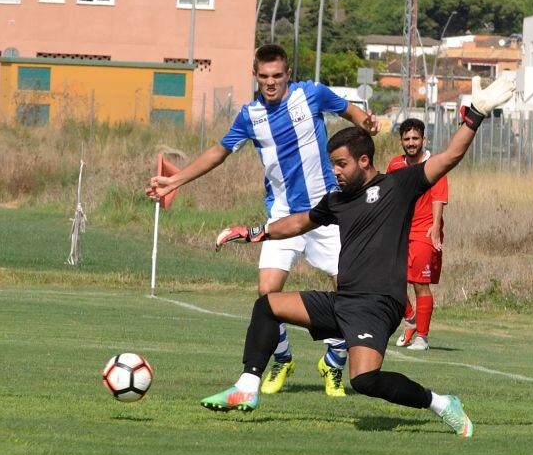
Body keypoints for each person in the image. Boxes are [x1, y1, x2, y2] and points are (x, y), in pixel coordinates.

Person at [201, 76, 516, 437]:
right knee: (268, 304)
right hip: (343, 301)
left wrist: (474, 115)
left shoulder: (398, 186)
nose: (334, 171)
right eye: (332, 164)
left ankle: (442, 403)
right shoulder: (337, 200)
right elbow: (299, 222)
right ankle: (247, 386)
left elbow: (450, 157)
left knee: (365, 380)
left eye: (340, 164)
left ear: (364, 161)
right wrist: (253, 233)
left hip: (377, 304)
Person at [147, 44, 378, 397]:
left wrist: (365, 121)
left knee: (349, 296)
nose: (271, 83)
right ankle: (282, 357)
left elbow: (349, 111)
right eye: (264, 77)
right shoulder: (249, 116)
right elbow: (218, 152)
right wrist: (175, 180)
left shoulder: (311, 94)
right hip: (284, 217)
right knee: (267, 295)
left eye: (277, 76)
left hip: (326, 213)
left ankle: (333, 360)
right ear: (255, 76)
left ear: (288, 75)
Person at [388, 118, 448, 351]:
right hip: (400, 231)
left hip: (424, 231)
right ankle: (411, 318)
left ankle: (422, 338)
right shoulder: (395, 165)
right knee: (389, 279)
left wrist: (434, 227)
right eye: (407, 139)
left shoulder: (435, 164)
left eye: (415, 138)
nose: (411, 143)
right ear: (401, 141)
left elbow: (438, 198)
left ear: (423, 139)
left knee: (419, 284)